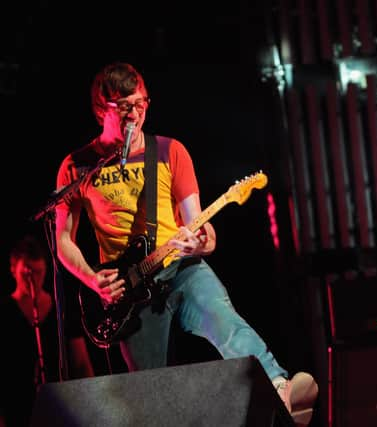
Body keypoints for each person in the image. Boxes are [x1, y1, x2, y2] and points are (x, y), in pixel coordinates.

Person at [54, 61, 317, 425]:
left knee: (224, 319)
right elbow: (63, 239)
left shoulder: (168, 151)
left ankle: (279, 386)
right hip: (126, 293)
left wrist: (202, 244)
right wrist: (90, 279)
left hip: (181, 267)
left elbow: (200, 226)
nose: (136, 114)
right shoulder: (78, 166)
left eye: (141, 103)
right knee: (151, 394)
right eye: (125, 107)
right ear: (102, 109)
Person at [0, 234, 95, 427]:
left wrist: (90, 405)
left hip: (58, 406)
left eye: (38, 272)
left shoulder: (61, 308)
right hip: (17, 409)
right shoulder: (5, 312)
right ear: (13, 270)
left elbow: (81, 362)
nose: (33, 280)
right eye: (26, 274)